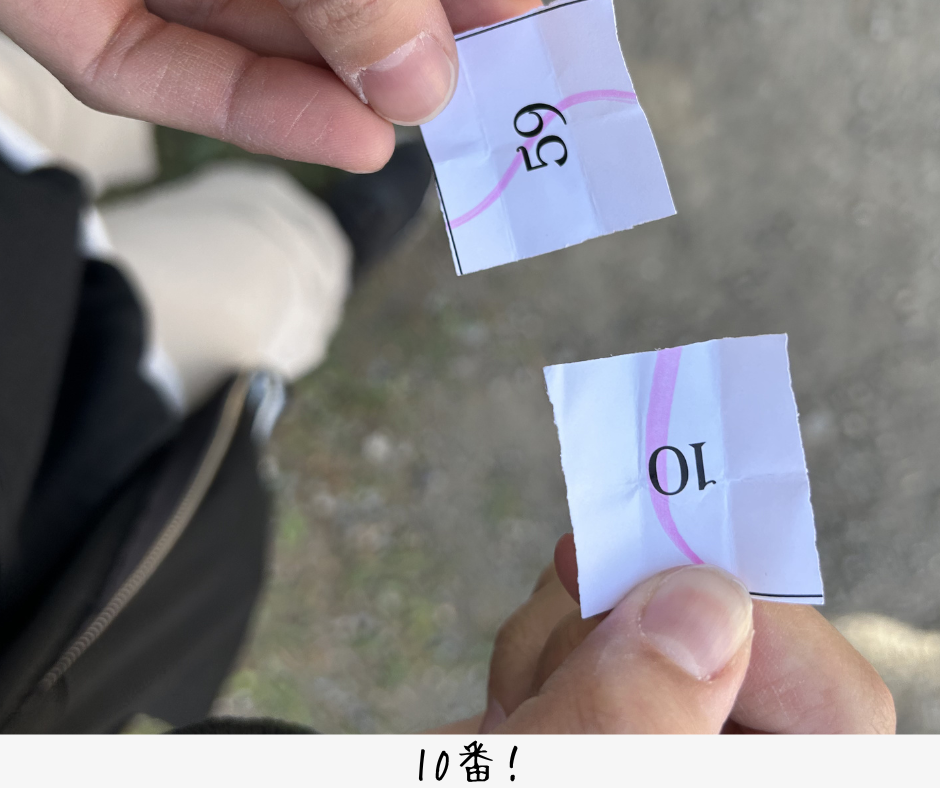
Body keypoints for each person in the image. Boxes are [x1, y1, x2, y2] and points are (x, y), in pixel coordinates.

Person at [0, 0, 894, 734]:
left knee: (67, 95)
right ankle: (335, 234)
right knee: (266, 272)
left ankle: (332, 224)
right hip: (97, 501)